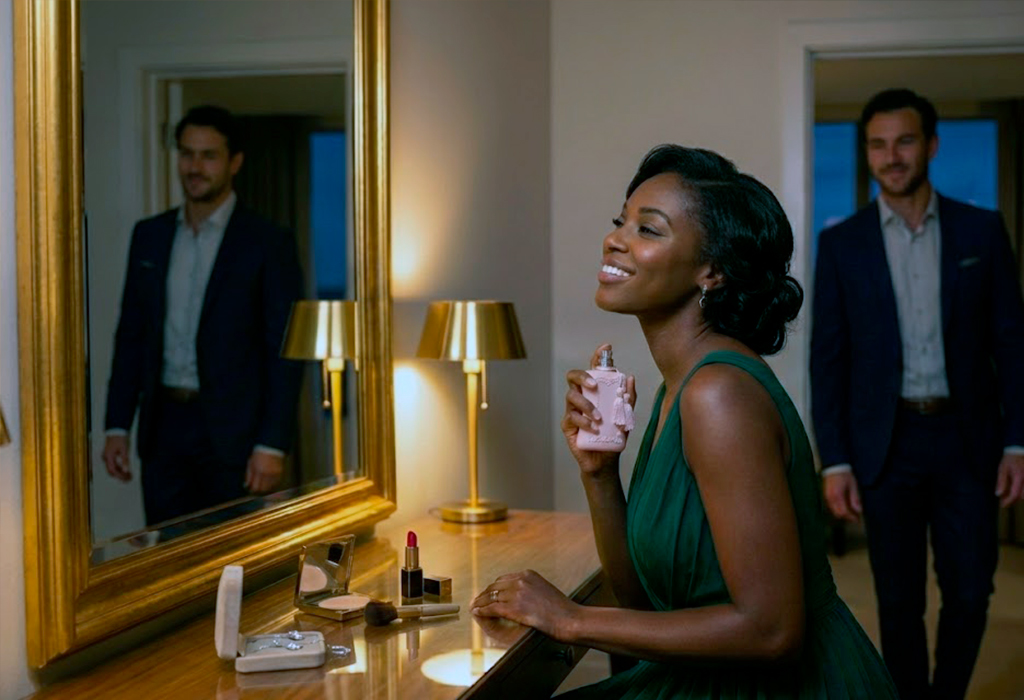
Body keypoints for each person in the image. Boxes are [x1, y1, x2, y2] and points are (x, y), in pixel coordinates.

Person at [471, 145, 898, 698]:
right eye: (620, 221)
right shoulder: (679, 386)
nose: (615, 239)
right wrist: (599, 474)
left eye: (648, 229)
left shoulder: (717, 395)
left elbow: (772, 632)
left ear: (711, 271)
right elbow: (645, 603)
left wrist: (571, 618)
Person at [810, 88, 1024, 700]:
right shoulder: (843, 242)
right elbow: (829, 358)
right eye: (877, 145)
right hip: (885, 444)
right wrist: (836, 460)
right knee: (897, 597)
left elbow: (1012, 343)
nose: (891, 156)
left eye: (904, 141)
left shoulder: (981, 230)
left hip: (968, 439)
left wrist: (1017, 442)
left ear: (930, 145)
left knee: (970, 588)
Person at [101, 105, 304, 527]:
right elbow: (131, 336)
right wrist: (117, 426)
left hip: (235, 435)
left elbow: (284, 351)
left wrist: (272, 443)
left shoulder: (268, 242)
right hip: (162, 430)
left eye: (209, 156)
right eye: (187, 154)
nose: (195, 167)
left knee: (234, 555)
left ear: (235, 162)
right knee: (166, 552)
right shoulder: (149, 236)